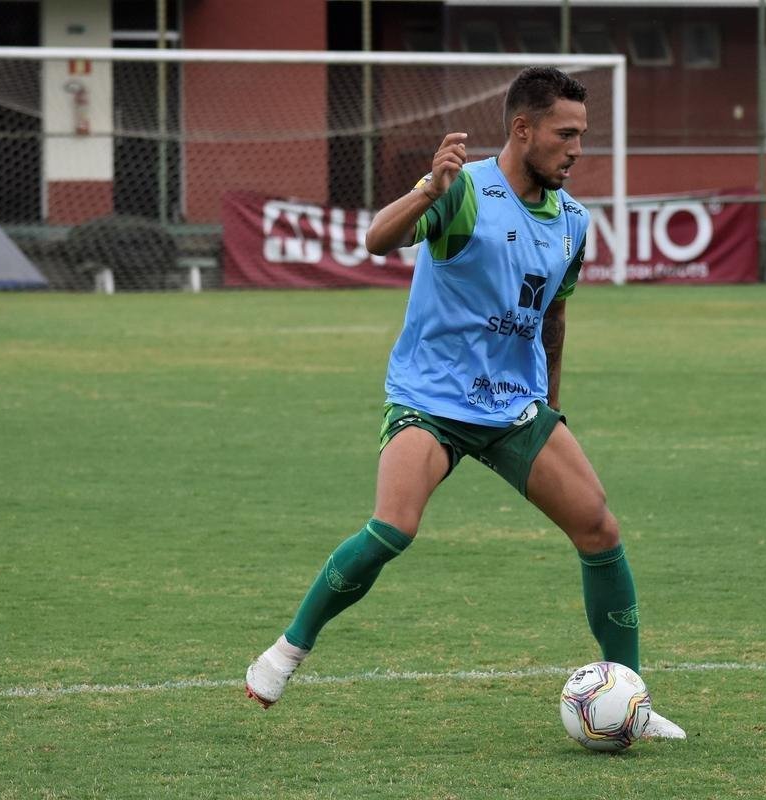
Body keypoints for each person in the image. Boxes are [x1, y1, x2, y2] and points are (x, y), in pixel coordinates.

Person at [244, 66, 684, 740]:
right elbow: (376, 240)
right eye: (565, 135)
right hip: (431, 399)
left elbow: (553, 318)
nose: (576, 149)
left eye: (582, 136)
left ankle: (631, 699)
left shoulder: (571, 220)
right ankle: (287, 650)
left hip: (515, 407)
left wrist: (551, 408)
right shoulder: (466, 192)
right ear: (522, 129)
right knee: (393, 527)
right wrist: (428, 189)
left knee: (599, 531)